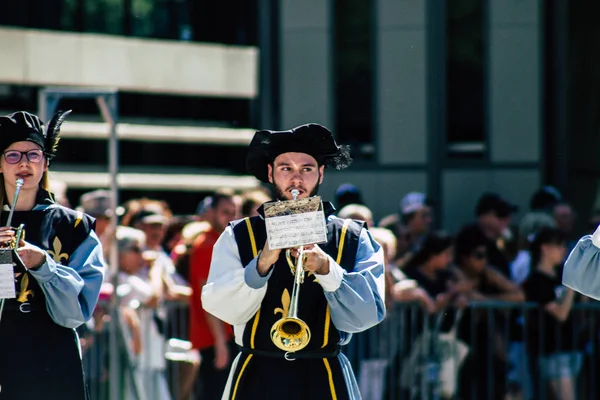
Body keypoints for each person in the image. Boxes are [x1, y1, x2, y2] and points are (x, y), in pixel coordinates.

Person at [201, 123, 386, 400]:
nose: (296, 179)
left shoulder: (353, 236)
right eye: (286, 168)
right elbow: (220, 306)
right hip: (256, 372)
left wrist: (327, 269)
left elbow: (368, 315)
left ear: (321, 174)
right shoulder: (237, 234)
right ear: (270, 173)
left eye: (307, 169)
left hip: (324, 372)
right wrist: (263, 262)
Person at [0, 110, 105, 399]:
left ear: (45, 163)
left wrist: (43, 266)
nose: (24, 163)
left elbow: (76, 313)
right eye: (12, 155)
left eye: (33, 155)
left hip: (52, 354)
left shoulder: (74, 226)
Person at [190, 189, 240, 399]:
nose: (230, 216)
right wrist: (220, 343)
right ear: (212, 213)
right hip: (213, 337)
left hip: (223, 334)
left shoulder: (222, 240)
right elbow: (208, 296)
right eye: (225, 211)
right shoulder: (206, 245)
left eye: (233, 211)